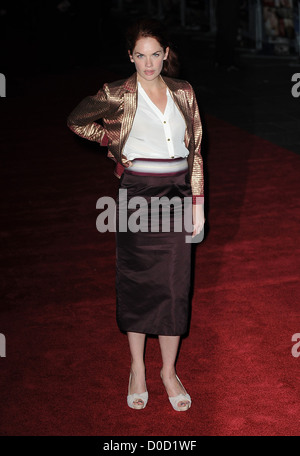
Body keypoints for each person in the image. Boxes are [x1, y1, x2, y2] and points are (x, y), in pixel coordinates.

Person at [67, 18, 205, 412]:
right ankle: (137, 369)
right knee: (138, 281)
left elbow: (194, 153)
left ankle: (168, 371)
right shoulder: (116, 93)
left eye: (155, 55)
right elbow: (76, 120)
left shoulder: (185, 92)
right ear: (131, 56)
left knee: (175, 285)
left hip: (177, 195)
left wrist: (198, 204)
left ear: (166, 54)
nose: (148, 63)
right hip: (137, 196)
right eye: (140, 56)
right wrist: (110, 141)